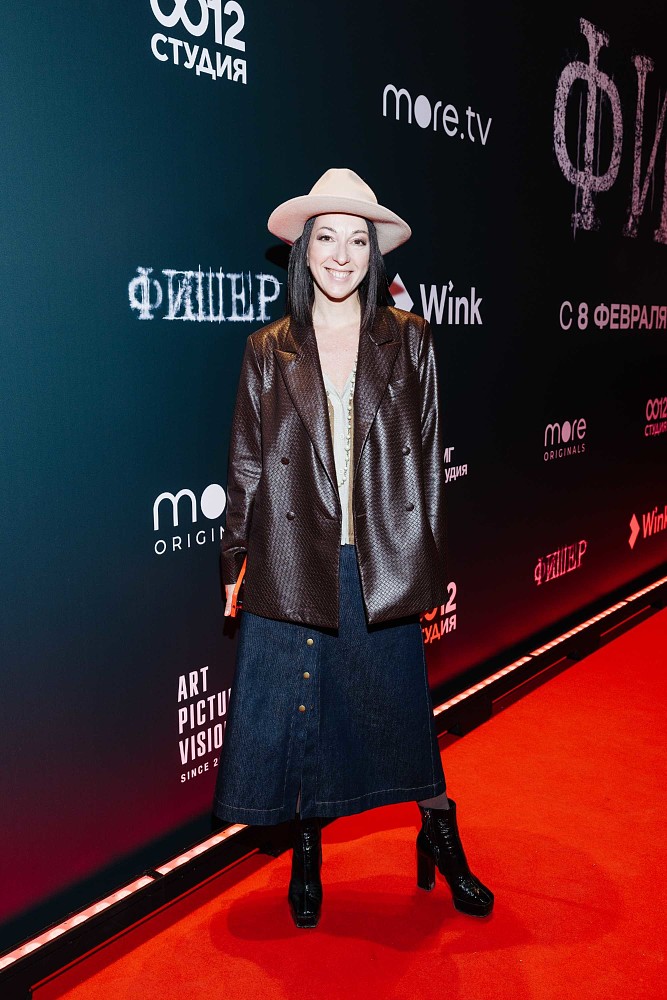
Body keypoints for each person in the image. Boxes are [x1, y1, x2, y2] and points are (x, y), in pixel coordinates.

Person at [213, 168, 493, 928]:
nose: (341, 255)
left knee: (401, 710)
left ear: (375, 254)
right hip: (291, 556)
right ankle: (307, 850)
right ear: (303, 249)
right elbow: (246, 462)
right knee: (305, 710)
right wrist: (233, 561)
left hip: (380, 561)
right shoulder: (268, 349)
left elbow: (427, 461)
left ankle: (440, 834)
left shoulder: (410, 340)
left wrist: (425, 568)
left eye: (358, 241)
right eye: (327, 238)